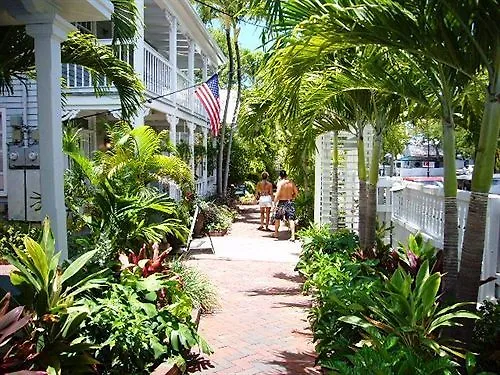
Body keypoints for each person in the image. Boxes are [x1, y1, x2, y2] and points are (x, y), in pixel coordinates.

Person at [273, 170, 298, 241]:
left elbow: (277, 193)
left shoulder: (280, 183)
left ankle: (276, 233)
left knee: (277, 218)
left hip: (281, 202)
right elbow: (296, 192)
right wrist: (292, 197)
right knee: (291, 219)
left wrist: (274, 203)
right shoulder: (291, 183)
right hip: (289, 202)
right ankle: (293, 236)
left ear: (280, 176)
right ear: (286, 175)